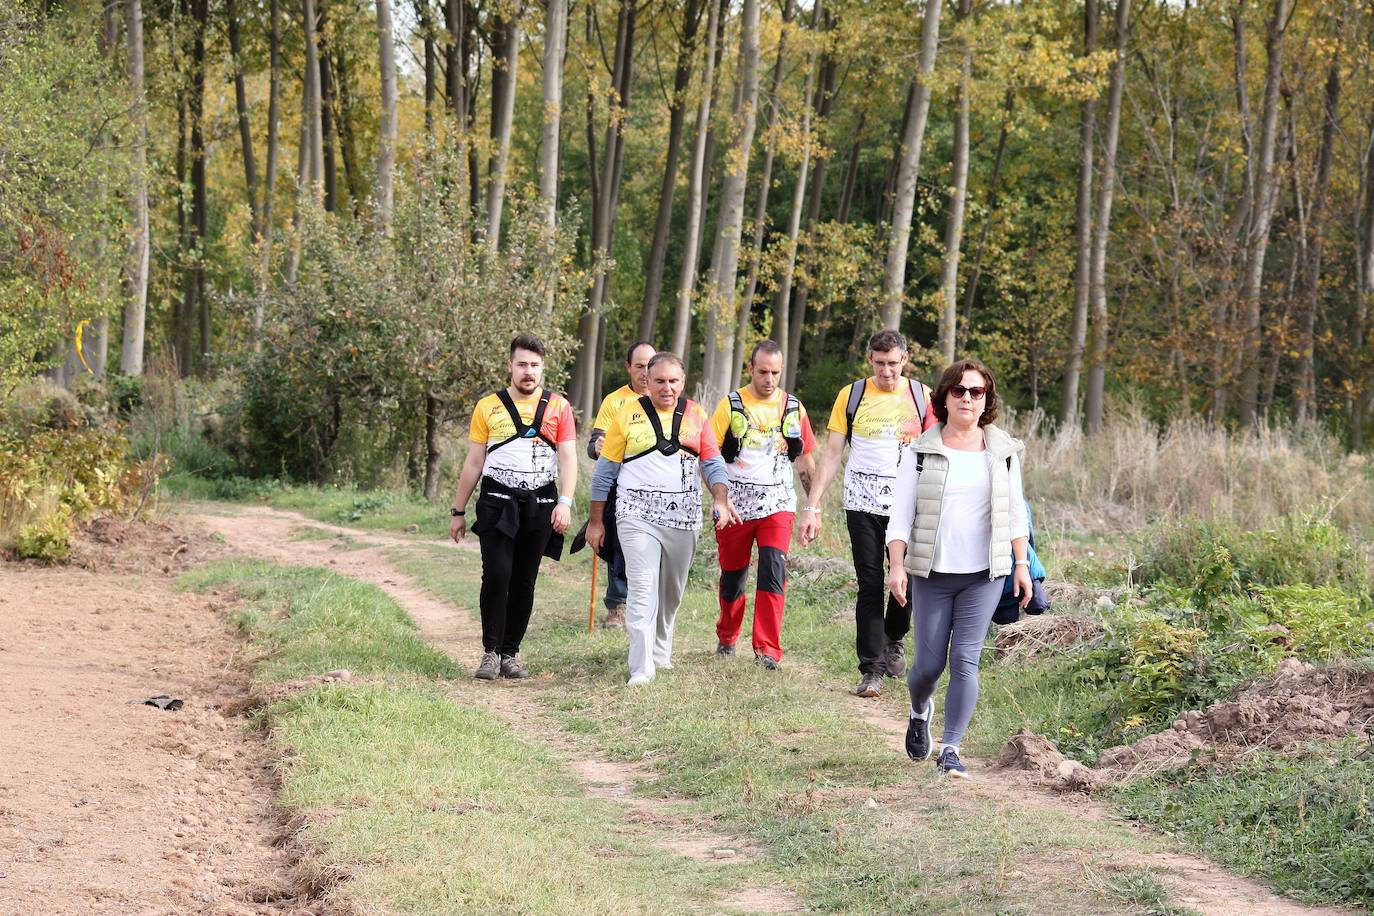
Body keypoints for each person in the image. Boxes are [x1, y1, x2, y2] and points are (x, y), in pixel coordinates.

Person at [884, 359, 1032, 778]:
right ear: (945, 397)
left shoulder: (1003, 452)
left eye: (977, 391)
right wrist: (897, 566)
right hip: (932, 572)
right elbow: (900, 516)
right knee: (928, 666)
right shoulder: (919, 452)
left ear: (987, 399)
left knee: (966, 659)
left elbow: (1015, 513)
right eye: (959, 391)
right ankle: (919, 709)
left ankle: (951, 748)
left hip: (985, 573)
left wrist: (1021, 564)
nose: (968, 398)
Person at [586, 352, 741, 686]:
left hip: (683, 520)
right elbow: (604, 474)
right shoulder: (627, 415)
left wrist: (720, 498)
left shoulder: (697, 415)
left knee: (671, 593)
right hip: (635, 516)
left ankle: (660, 651)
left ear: (683, 382)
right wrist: (596, 521)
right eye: (659, 381)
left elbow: (712, 462)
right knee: (642, 589)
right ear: (647, 382)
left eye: (673, 381)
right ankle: (641, 668)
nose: (667, 388)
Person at [798, 329, 937, 698]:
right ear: (870, 360)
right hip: (862, 506)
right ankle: (871, 670)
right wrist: (812, 506)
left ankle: (894, 636)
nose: (887, 372)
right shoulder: (853, 395)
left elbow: (938, 453)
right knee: (871, 584)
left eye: (893, 364)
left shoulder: (923, 398)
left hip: (908, 508)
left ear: (905, 360)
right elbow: (831, 455)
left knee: (906, 581)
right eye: (880, 364)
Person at [450, 335, 577, 681]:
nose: (528, 371)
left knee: (524, 579)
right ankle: (490, 652)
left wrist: (565, 502)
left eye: (535, 365)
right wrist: (458, 511)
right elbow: (474, 462)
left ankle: (511, 653)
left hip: (541, 503)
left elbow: (568, 459)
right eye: (522, 364)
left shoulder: (559, 407)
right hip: (497, 503)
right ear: (510, 366)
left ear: (543, 368)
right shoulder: (487, 406)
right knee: (496, 574)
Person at [710, 340, 817, 669]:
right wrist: (719, 499)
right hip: (735, 506)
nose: (768, 379)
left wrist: (813, 510)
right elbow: (711, 456)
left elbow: (806, 463)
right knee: (733, 576)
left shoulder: (794, 407)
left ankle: (767, 650)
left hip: (778, 504)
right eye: (762, 372)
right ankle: (727, 634)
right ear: (750, 369)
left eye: (774, 372)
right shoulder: (730, 405)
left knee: (773, 570)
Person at [585, 340, 657, 630]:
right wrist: (598, 446)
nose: (644, 372)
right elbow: (594, 446)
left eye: (649, 366)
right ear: (628, 367)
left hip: (655, 487)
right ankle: (617, 606)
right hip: (619, 485)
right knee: (618, 546)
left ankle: (647, 603)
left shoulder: (666, 397)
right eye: (639, 366)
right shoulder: (614, 401)